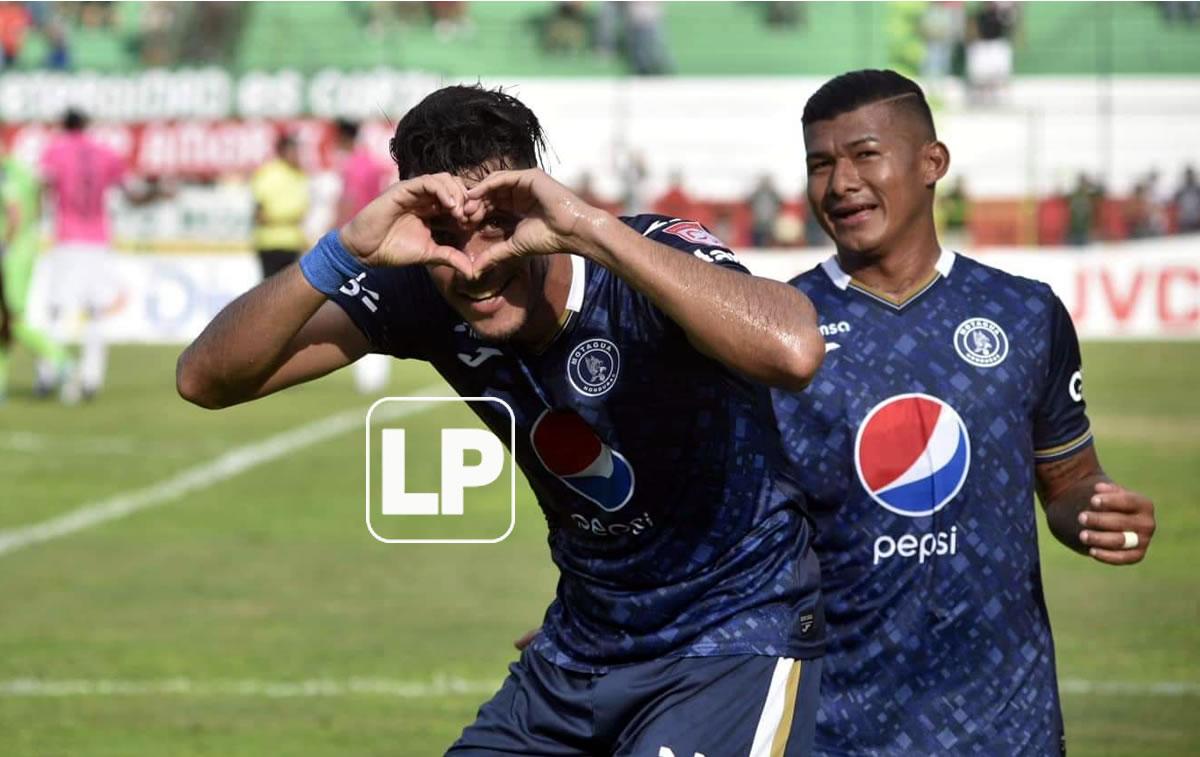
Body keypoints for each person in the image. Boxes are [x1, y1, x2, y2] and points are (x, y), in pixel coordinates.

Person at [177, 85, 828, 755]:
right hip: (581, 650)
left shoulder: (639, 257)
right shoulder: (425, 286)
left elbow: (794, 348)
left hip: (730, 636)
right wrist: (342, 251)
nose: (478, 262)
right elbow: (206, 377)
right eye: (449, 234)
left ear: (536, 199)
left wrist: (592, 228)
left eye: (497, 224)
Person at [771, 69, 1156, 756]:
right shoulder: (777, 331)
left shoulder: (1026, 313)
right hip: (836, 728)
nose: (841, 183)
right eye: (820, 164)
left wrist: (1098, 508)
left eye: (864, 154)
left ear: (932, 162)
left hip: (1008, 726)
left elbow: (1067, 481)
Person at [39, 108, 141, 401]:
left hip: (68, 239)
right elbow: (130, 193)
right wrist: (158, 193)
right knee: (96, 313)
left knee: (57, 311)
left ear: (63, 124)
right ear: (87, 125)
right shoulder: (106, 153)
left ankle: (49, 374)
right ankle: (91, 379)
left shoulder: (54, 151)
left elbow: (45, 187)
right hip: (98, 241)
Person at [0, 148, 72, 402]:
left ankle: (61, 359)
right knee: (5, 322)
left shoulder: (6, 172)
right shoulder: (22, 169)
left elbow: (13, 211)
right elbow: (39, 202)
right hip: (26, 247)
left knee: (12, 320)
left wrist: (6, 245)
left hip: (12, 253)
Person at [333, 118, 392, 395]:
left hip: (358, 242)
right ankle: (377, 376)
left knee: (358, 306)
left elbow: (349, 201)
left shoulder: (353, 166)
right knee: (380, 301)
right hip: (382, 239)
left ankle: (368, 378)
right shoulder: (374, 162)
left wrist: (334, 236)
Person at [250, 132, 309, 280]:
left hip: (292, 243)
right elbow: (259, 214)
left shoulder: (300, 175)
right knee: (269, 292)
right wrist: (288, 218)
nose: (296, 154)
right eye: (293, 150)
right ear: (282, 151)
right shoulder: (268, 173)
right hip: (270, 243)